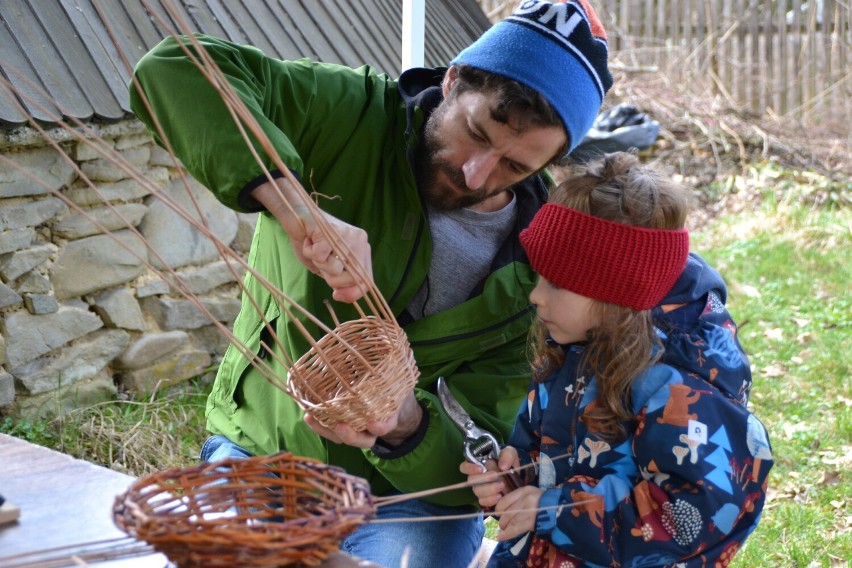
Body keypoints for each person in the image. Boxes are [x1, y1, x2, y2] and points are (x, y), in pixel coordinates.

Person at [129, 1, 613, 566]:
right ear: (452, 79)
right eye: (475, 133)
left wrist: (405, 427)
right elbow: (174, 67)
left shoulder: (537, 268)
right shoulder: (350, 115)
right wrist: (297, 208)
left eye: (515, 167)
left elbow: (487, 435)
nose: (476, 173)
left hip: (409, 501)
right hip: (265, 452)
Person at [461, 152, 773, 567]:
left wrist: (553, 510)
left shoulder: (677, 388)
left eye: (557, 283)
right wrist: (514, 479)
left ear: (616, 296)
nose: (537, 296)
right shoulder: (571, 347)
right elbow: (546, 452)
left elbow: (691, 516)